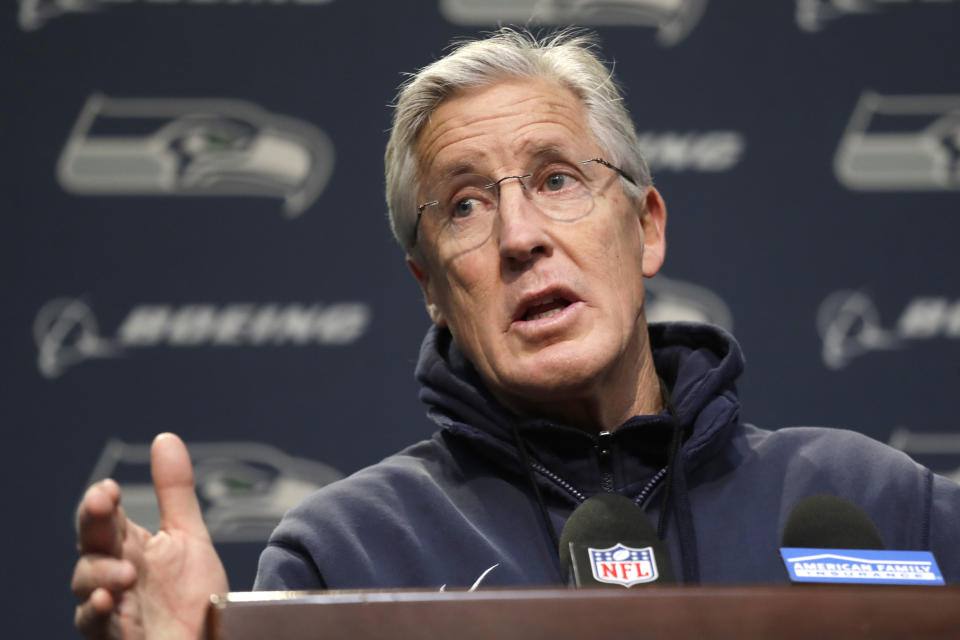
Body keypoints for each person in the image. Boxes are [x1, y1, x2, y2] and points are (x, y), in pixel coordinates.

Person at [72, 28, 960, 639]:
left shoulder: (879, 505)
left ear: (646, 226)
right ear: (430, 289)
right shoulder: (345, 555)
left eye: (558, 178)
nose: (520, 236)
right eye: (464, 204)